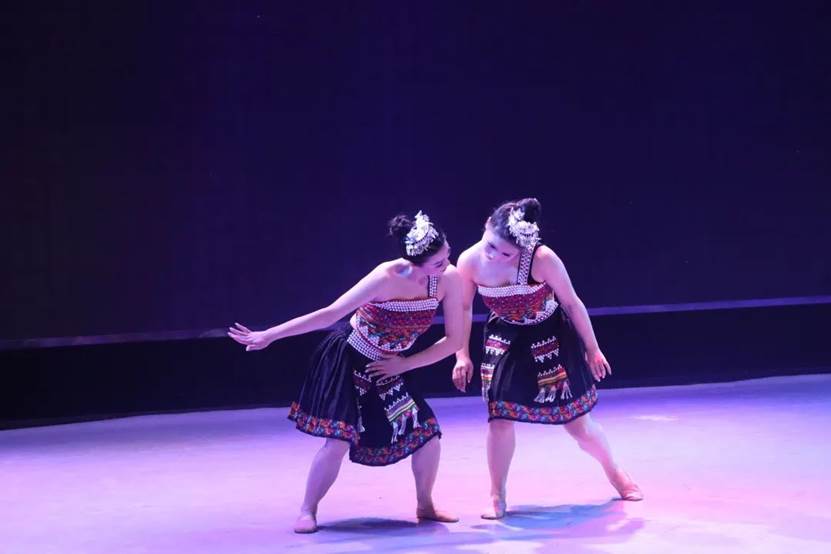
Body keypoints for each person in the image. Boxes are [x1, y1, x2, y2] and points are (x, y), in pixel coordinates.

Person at [229, 211, 463, 533]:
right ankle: (308, 509)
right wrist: (270, 335)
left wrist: (404, 364)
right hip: (352, 360)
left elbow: (455, 340)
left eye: (447, 255)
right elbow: (331, 314)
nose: (446, 264)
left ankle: (425, 504)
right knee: (337, 442)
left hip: (391, 367)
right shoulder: (385, 277)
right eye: (438, 262)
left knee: (428, 436)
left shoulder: (449, 279)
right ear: (414, 261)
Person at [452, 198, 643, 519]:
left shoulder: (542, 259)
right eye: (491, 246)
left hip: (550, 335)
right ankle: (497, 495)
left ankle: (615, 471)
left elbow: (572, 303)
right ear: (486, 226)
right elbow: (463, 308)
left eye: (507, 254)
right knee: (499, 418)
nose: (495, 256)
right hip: (506, 338)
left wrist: (592, 348)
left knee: (577, 425)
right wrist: (462, 355)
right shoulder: (469, 261)